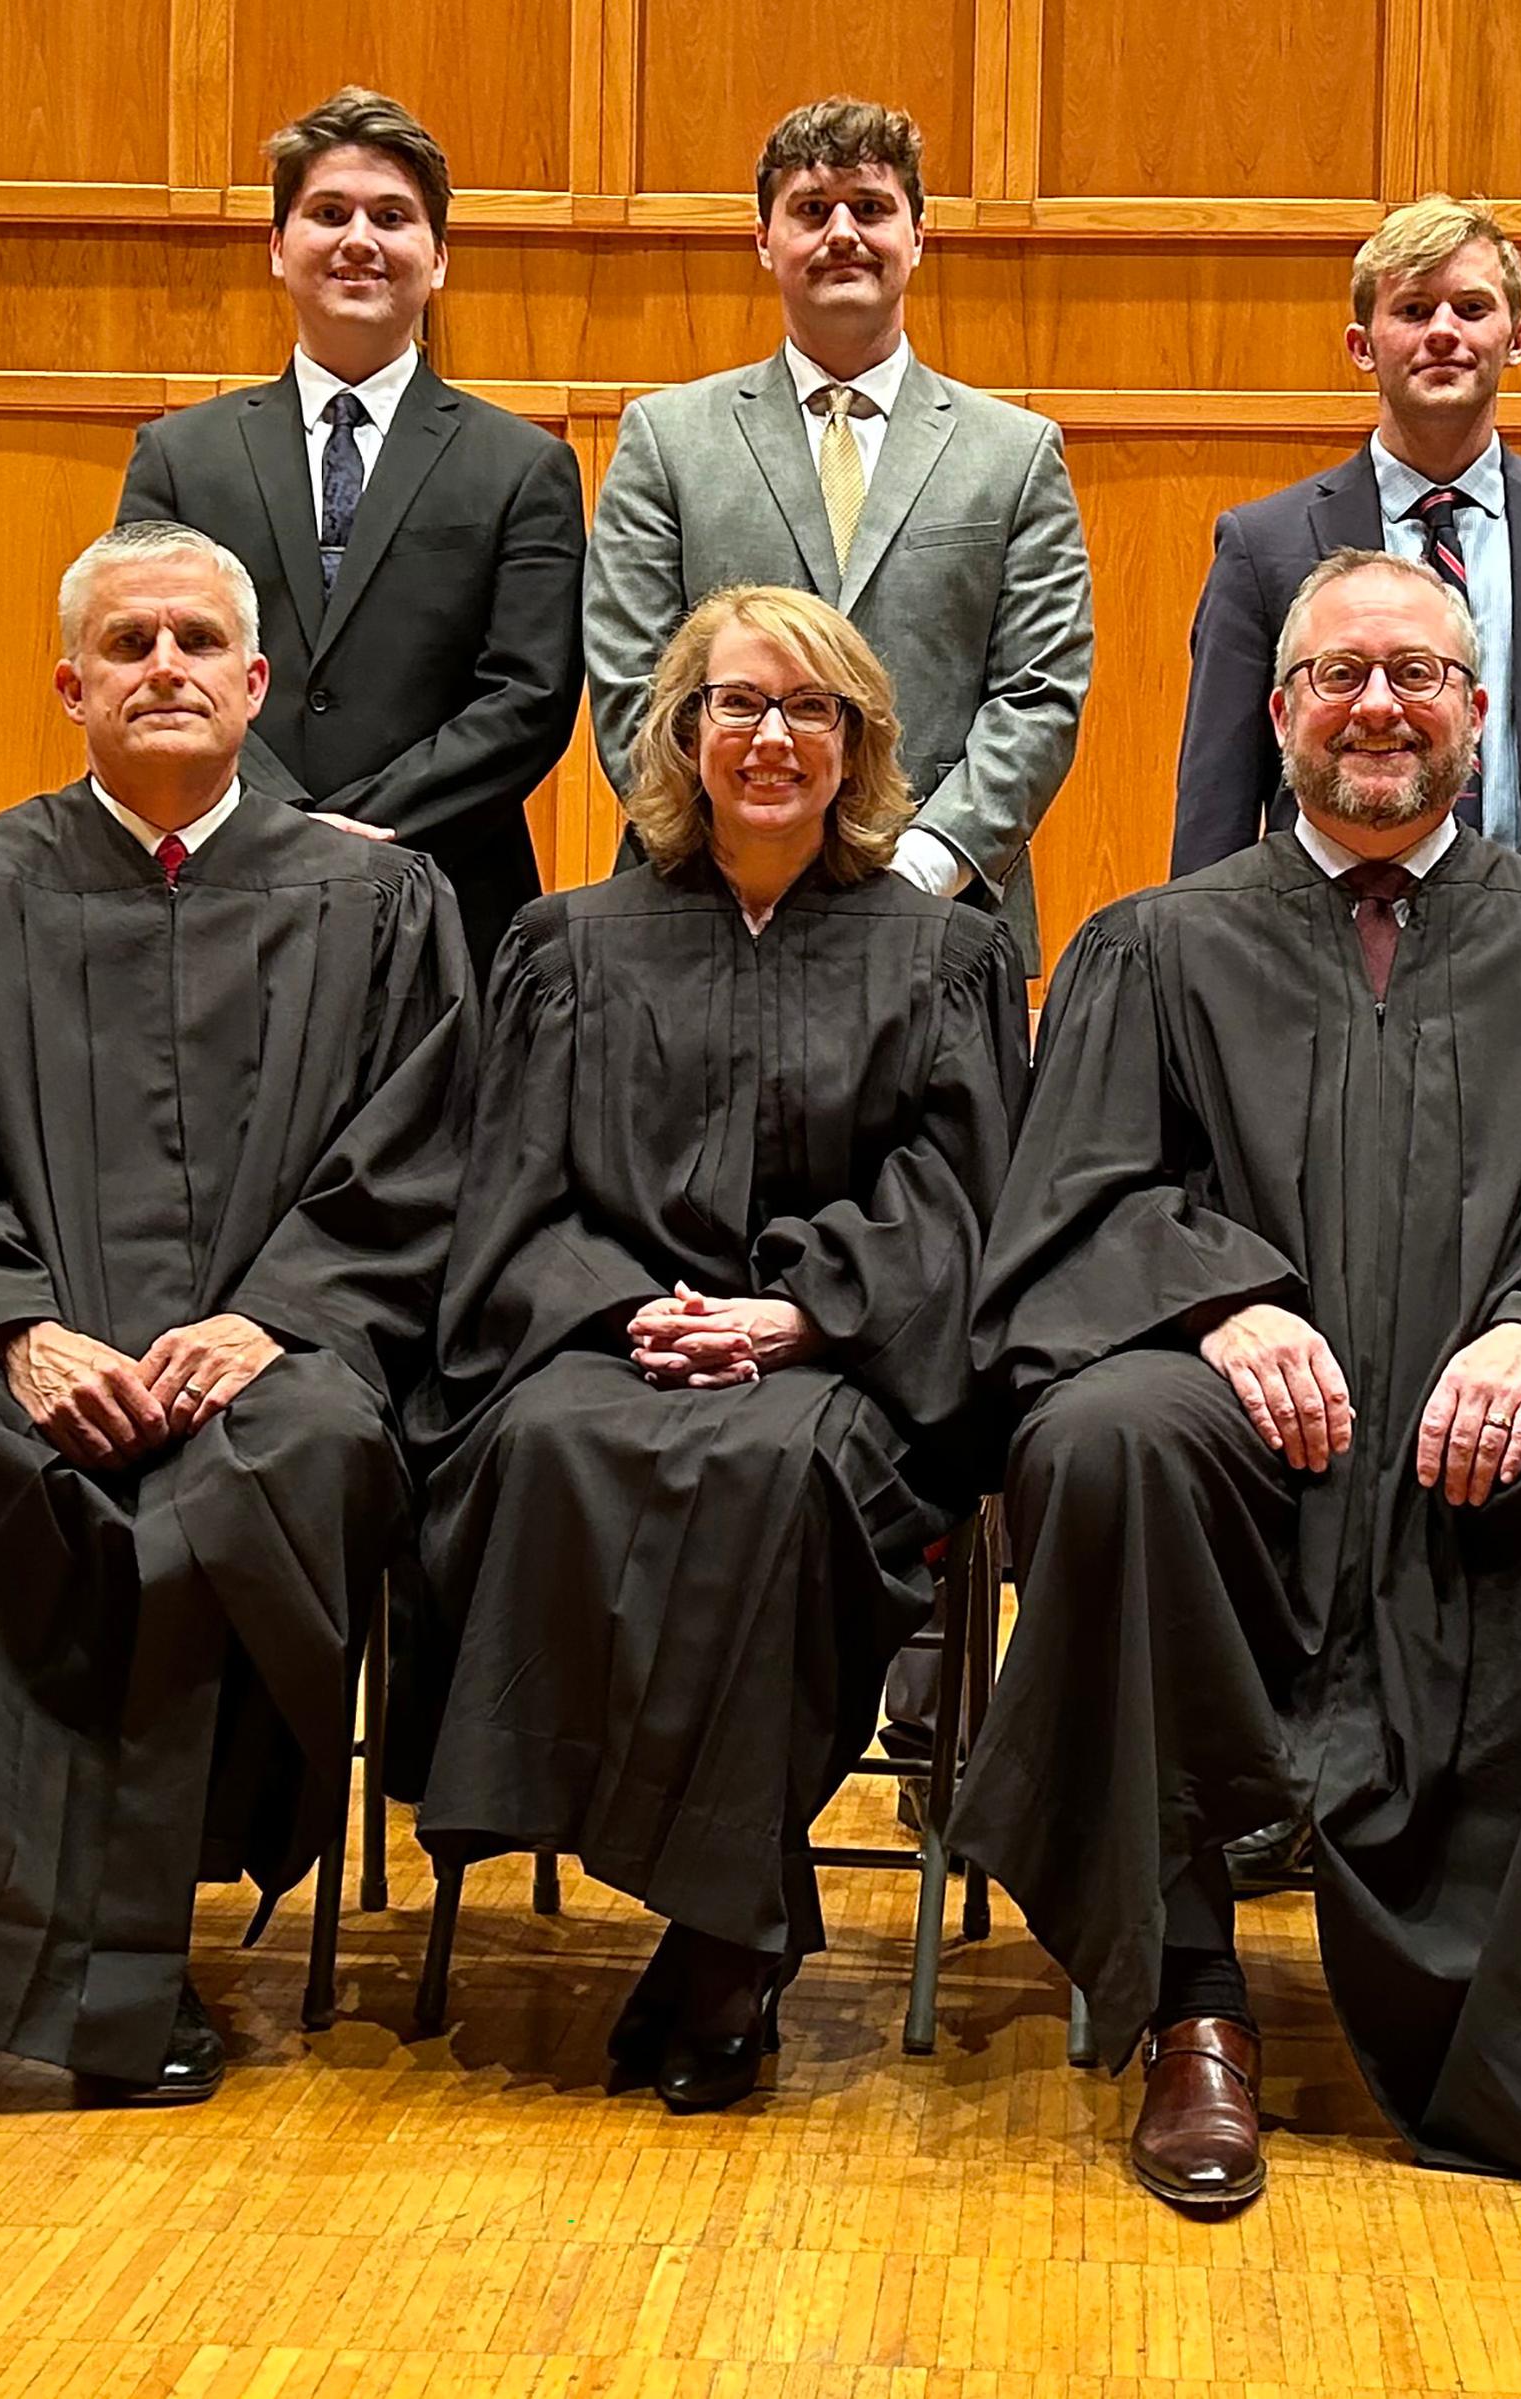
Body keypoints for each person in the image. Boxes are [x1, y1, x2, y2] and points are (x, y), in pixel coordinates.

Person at [952, 549, 1521, 2234]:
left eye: (1417, 674)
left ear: (1477, 713)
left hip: (1513, 1441)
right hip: (1254, 1447)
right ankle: (1193, 2004)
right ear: (1279, 711)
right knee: (1106, 1434)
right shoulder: (1155, 944)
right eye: (1340, 674)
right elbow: (1066, 1215)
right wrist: (1214, 1296)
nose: (1378, 704)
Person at [0, 522, 472, 2108]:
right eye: (130, 646)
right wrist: (12, 1326)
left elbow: (426, 1152)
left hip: (267, 1355)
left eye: (198, 641)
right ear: (72, 684)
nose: (166, 668)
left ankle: (129, 1951)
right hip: (3, 1347)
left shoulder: (380, 900)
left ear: (257, 682)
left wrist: (275, 1314)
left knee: (286, 1454)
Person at [395, 585, 1029, 2112]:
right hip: (603, 1340)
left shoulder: (941, 951)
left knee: (777, 1472)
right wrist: (631, 1309)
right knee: (551, 1443)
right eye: (737, 703)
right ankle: (742, 1915)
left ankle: (720, 1931)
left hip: (846, 1364)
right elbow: (509, 1198)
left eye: (811, 709)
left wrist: (802, 1311)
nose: (771, 737)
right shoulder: (571, 942)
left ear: (861, 743)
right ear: (681, 731)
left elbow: (964, 1206)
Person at [582, 95, 1092, 966]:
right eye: (813, 210)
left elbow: (1039, 693)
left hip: (943, 920)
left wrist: (921, 869)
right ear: (764, 238)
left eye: (873, 207)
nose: (843, 232)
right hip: (703, 911)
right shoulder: (667, 438)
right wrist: (743, 858)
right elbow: (634, 684)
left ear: (919, 235)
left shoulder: (1013, 453)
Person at [118, 86, 586, 976]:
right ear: (277, 245)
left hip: (445, 906)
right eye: (328, 213)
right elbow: (147, 661)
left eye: (392, 216)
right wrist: (276, 826)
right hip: (217, 893)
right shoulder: (180, 458)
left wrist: (360, 835)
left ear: (439, 257)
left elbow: (529, 698)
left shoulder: (524, 466)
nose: (359, 240)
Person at [1167, 194, 1521, 932]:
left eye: (1472, 308)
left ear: (1518, 337)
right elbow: (1214, 812)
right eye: (1413, 310)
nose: (1444, 333)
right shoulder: (1264, 546)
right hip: (1320, 957)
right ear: (1362, 344)